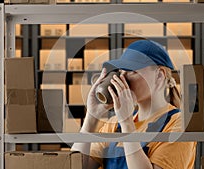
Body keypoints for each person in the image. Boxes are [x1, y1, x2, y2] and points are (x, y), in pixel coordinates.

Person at [72, 40, 196, 169]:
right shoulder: (114, 124)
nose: (122, 78)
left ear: (159, 76)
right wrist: (92, 117)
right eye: (121, 71)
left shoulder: (179, 124)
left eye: (132, 71)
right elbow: (75, 166)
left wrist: (127, 123)